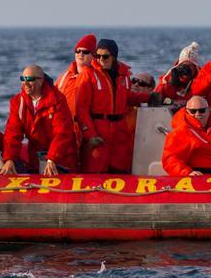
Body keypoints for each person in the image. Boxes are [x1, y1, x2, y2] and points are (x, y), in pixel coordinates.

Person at [0, 65, 76, 176]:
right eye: (22, 79)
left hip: (61, 158)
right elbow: (12, 134)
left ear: (41, 81)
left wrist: (52, 159)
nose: (25, 83)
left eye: (30, 79)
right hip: (35, 158)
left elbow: (62, 133)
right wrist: (9, 159)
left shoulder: (57, 100)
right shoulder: (17, 103)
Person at [87, 38, 149, 173]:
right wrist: (91, 134)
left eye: (105, 56)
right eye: (97, 56)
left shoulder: (123, 75)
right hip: (99, 130)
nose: (101, 59)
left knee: (121, 169)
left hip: (119, 131)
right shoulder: (89, 75)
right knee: (97, 170)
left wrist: (149, 97)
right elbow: (81, 109)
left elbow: (127, 98)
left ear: (114, 57)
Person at [161, 97, 211, 176]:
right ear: (187, 111)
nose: (197, 114)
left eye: (202, 110)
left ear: (208, 111)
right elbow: (171, 159)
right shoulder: (181, 132)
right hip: (201, 176)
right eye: (193, 111)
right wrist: (186, 172)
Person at [154, 42, 200, 107]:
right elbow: (156, 99)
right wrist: (171, 84)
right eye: (183, 65)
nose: (186, 69)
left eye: (190, 65)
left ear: (195, 67)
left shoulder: (201, 80)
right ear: (178, 65)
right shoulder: (167, 79)